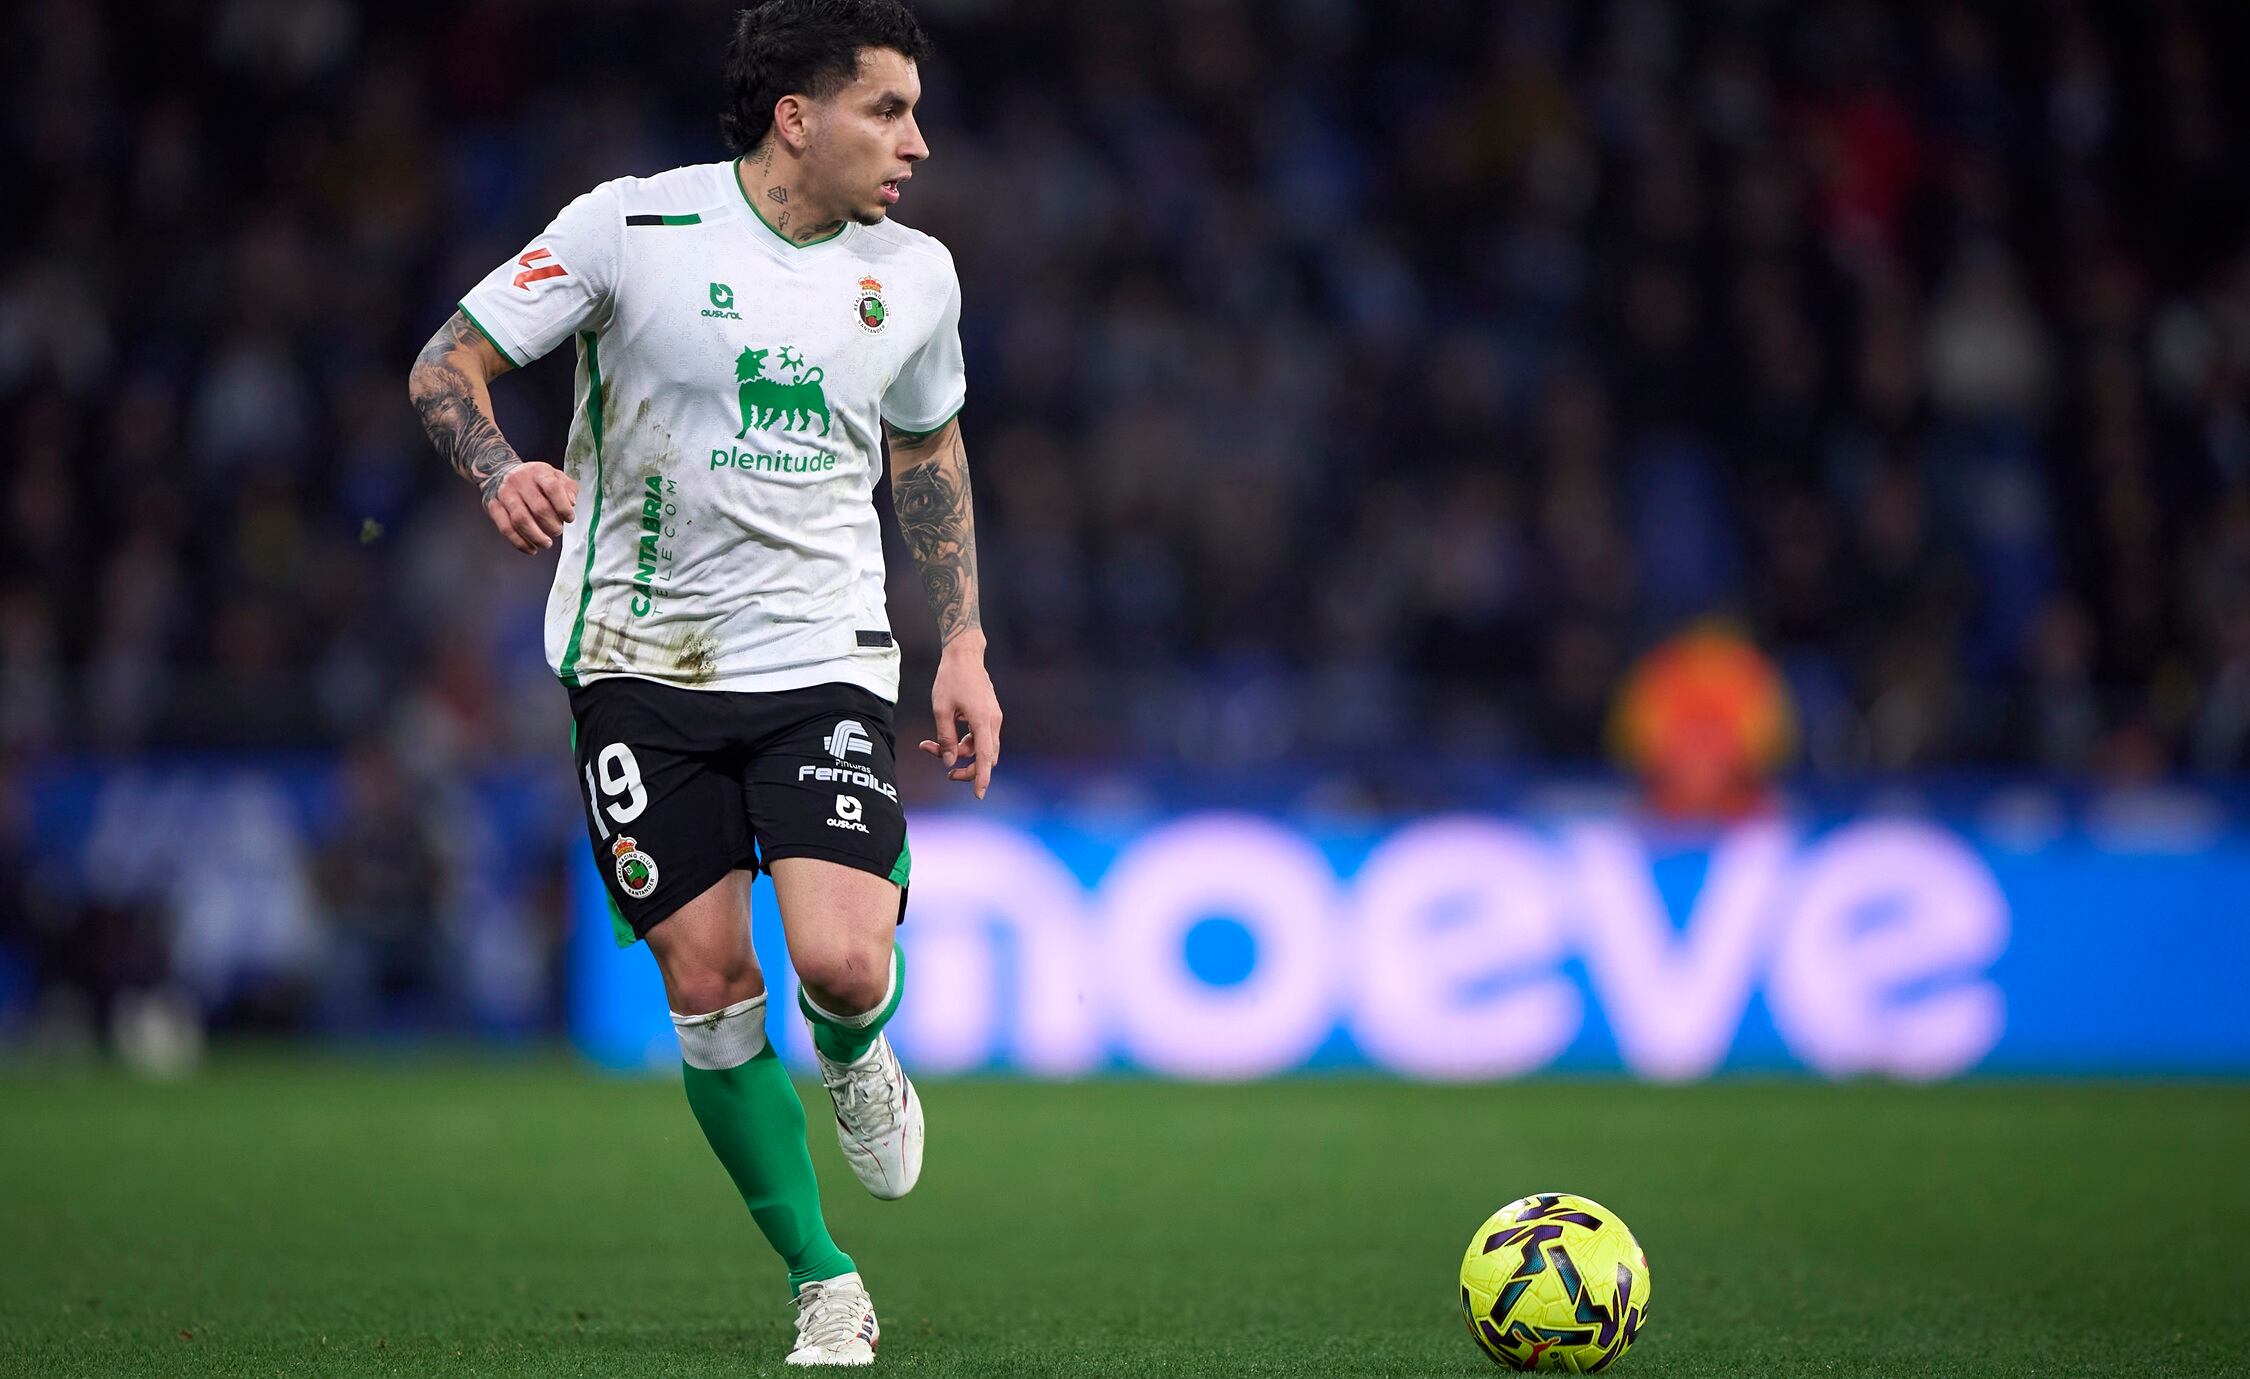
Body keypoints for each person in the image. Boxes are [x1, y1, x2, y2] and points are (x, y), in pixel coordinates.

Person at [405, 0, 999, 1365]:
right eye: (887, 110)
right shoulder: (633, 228)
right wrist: (500, 469)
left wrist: (959, 641)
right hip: (636, 663)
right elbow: (450, 359)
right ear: (799, 116)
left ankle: (855, 1054)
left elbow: (928, 453)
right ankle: (821, 1278)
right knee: (710, 980)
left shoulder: (916, 273)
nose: (915, 139)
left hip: (823, 662)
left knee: (845, 963)